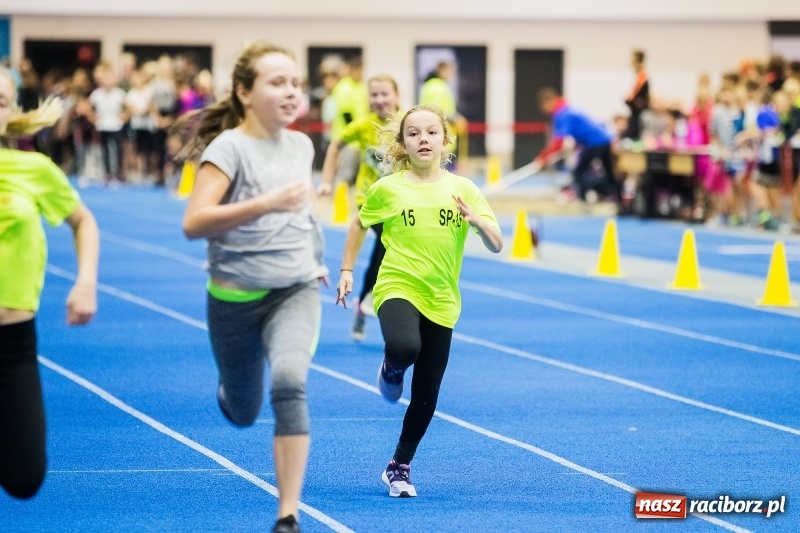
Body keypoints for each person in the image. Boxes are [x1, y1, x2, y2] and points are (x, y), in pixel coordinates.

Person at [180, 42, 327, 533]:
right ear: (244, 92)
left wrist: (319, 261)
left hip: (295, 289)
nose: (291, 93)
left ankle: (288, 516)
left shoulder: (301, 145)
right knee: (244, 412)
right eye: (277, 82)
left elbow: (302, 215)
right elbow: (195, 222)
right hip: (234, 297)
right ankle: (232, 391)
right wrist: (264, 203)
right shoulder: (228, 149)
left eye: (296, 84)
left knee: (289, 382)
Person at [335, 104, 503, 498]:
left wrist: (478, 222)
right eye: (413, 133)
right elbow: (359, 223)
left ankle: (399, 466)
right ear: (402, 143)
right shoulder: (389, 188)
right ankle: (392, 367)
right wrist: (346, 270)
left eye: (431, 132)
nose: (423, 139)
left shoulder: (463, 189)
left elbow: (497, 243)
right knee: (405, 345)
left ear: (446, 141)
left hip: (442, 299)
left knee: (427, 393)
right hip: (397, 285)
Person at [0, 67, 99, 500]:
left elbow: (83, 222)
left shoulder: (33, 169)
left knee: (25, 478)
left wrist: (86, 282)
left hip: (12, 343)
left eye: (1, 101)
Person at [317, 74, 401, 342]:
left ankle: (365, 304)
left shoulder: (406, 124)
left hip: (398, 200)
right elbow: (336, 145)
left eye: (384, 94)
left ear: (396, 96)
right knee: (387, 240)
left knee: (391, 246)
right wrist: (327, 181)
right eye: (374, 95)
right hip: (369, 200)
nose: (379, 100)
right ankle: (367, 299)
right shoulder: (364, 126)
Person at [533, 88, 621, 205]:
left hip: (596, 143)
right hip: (603, 140)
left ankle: (584, 201)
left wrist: (543, 157)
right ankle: (620, 200)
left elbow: (559, 141)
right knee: (608, 172)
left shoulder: (562, 113)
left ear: (548, 101)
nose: (545, 111)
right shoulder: (568, 109)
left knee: (580, 171)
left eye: (543, 106)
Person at [418, 60, 467, 170]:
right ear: (442, 70)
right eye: (450, 70)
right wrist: (455, 119)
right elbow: (435, 111)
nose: (452, 74)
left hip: (440, 140)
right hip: (440, 143)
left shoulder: (431, 85)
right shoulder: (437, 87)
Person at [623, 49, 649, 140]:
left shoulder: (642, 76)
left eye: (632, 60)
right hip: (635, 111)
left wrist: (628, 100)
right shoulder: (638, 76)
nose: (630, 62)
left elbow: (634, 96)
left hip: (638, 113)